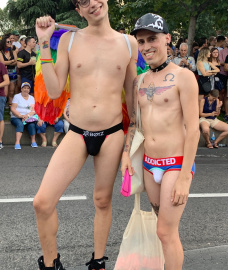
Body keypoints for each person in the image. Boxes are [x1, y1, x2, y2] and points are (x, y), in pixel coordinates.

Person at [33, 0, 138, 267]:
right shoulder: (69, 40)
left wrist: (131, 145)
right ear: (78, 10)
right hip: (78, 133)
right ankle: (50, 263)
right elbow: (55, 91)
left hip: (113, 133)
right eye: (82, 2)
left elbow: (133, 100)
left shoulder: (129, 43)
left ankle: (98, 261)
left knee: (102, 201)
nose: (92, 3)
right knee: (42, 203)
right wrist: (44, 43)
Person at [122, 13, 198, 270]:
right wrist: (125, 155)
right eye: (141, 41)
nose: (146, 47)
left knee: (165, 232)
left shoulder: (184, 77)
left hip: (175, 165)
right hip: (148, 163)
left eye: (152, 39)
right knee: (163, 229)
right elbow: (134, 123)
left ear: (167, 38)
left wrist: (185, 176)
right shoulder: (139, 82)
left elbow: (193, 128)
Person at [10, 82, 38, 149]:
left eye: (28, 88)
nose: (26, 89)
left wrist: (27, 115)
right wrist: (20, 116)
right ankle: (17, 142)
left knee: (32, 125)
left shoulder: (32, 98)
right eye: (24, 88)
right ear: (21, 89)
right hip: (16, 117)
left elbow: (33, 110)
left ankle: (33, 141)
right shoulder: (17, 96)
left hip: (28, 117)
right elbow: (13, 108)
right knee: (20, 124)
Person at [0, 35, 18, 106]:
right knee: (5, 92)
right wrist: (12, 61)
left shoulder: (13, 52)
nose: (10, 43)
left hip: (13, 72)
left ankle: (10, 105)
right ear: (4, 43)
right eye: (8, 42)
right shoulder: (0, 53)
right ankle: (2, 105)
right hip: (4, 73)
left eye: (10, 42)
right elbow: (2, 63)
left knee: (11, 91)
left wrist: (9, 62)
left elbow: (16, 62)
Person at [218, 36, 228, 120]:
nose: (226, 42)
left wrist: (227, 64)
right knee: (221, 91)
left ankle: (225, 108)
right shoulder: (221, 51)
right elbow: (221, 62)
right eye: (226, 41)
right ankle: (220, 108)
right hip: (222, 73)